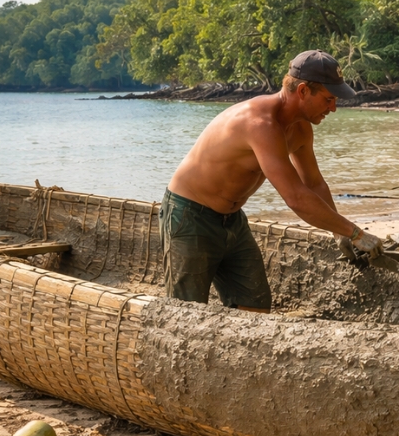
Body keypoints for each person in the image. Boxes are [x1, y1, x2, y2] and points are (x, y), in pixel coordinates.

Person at [161, 50, 386, 312]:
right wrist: (356, 233)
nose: (333, 108)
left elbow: (313, 185)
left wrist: (338, 231)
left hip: (232, 221)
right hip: (190, 216)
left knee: (255, 307)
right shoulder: (259, 124)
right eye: (329, 99)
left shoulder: (301, 128)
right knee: (185, 313)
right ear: (303, 91)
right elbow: (296, 198)